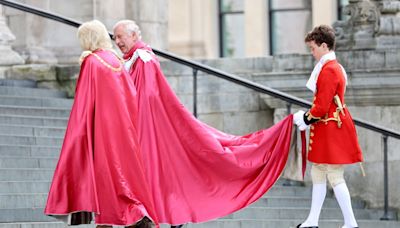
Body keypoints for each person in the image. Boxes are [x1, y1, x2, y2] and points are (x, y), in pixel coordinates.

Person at [112, 20, 295, 227]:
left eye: (121, 36)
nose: (117, 41)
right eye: (115, 37)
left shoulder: (144, 60)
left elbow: (147, 97)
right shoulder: (135, 60)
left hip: (150, 127)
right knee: (165, 174)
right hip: (150, 126)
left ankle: (170, 215)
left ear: (135, 36)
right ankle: (170, 216)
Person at [44, 20, 157, 228]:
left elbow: (84, 101)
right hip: (122, 132)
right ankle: (130, 217)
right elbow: (130, 95)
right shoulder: (116, 61)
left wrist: (78, 134)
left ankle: (120, 221)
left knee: (102, 179)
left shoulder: (92, 62)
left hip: (99, 132)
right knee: (118, 178)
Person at [293, 25, 363, 228]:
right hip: (327, 128)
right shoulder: (331, 67)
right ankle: (312, 220)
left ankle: (351, 223)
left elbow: (322, 106)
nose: (311, 52)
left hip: (331, 129)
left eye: (313, 48)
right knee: (318, 172)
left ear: (324, 46)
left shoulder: (330, 69)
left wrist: (305, 119)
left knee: (333, 174)